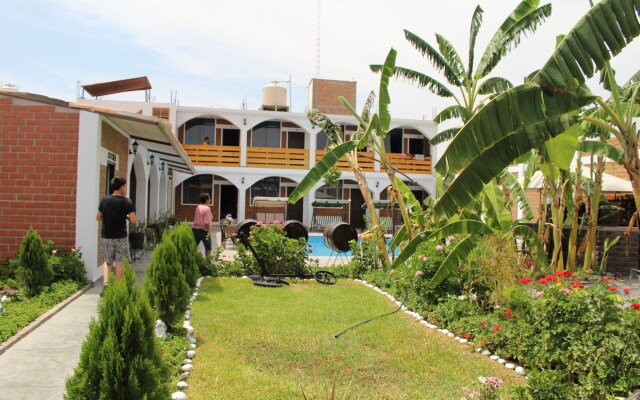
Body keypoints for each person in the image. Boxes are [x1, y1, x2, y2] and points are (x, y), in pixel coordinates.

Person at [96, 177, 136, 288]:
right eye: (125, 186)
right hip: (120, 237)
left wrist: (108, 220)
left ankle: (106, 283)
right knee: (119, 261)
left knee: (107, 260)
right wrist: (126, 216)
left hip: (106, 236)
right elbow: (133, 220)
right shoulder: (126, 201)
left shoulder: (105, 200)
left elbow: (98, 217)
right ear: (122, 186)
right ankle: (118, 287)